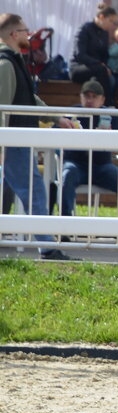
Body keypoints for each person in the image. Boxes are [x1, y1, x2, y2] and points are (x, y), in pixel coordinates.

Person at [0, 13, 75, 259]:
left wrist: (56, 118)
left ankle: (47, 247)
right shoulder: (5, 64)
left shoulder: (12, 61)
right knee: (34, 192)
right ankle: (48, 248)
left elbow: (28, 99)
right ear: (14, 34)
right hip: (13, 142)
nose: (29, 34)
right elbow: (2, 108)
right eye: (25, 30)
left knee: (28, 191)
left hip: (16, 141)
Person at [59, 79, 118, 218]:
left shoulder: (111, 116)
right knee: (67, 175)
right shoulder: (71, 114)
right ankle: (65, 223)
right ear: (81, 97)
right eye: (86, 96)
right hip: (76, 165)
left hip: (102, 166)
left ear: (102, 100)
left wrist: (111, 136)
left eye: (94, 96)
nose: (90, 100)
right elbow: (53, 136)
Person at [70, 3, 118, 101]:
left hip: (97, 69)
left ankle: (105, 104)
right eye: (110, 21)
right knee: (101, 71)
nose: (112, 25)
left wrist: (106, 66)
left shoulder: (104, 33)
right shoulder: (85, 29)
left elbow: (104, 55)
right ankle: (108, 104)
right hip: (79, 68)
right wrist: (99, 64)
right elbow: (80, 55)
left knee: (113, 76)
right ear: (101, 17)